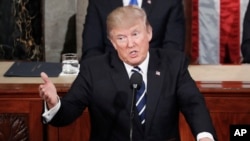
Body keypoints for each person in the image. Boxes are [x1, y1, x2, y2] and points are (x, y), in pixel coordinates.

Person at [39, 6, 217, 141]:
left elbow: (194, 104)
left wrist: (205, 136)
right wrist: (54, 103)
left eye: (135, 34)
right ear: (113, 43)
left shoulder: (173, 63)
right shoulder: (94, 69)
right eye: (121, 38)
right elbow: (68, 112)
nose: (130, 44)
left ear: (149, 33)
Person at [81, 0, 186, 61]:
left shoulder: (169, 2)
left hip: (155, 74)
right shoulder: (99, 2)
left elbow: (173, 50)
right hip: (110, 75)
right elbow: (92, 50)